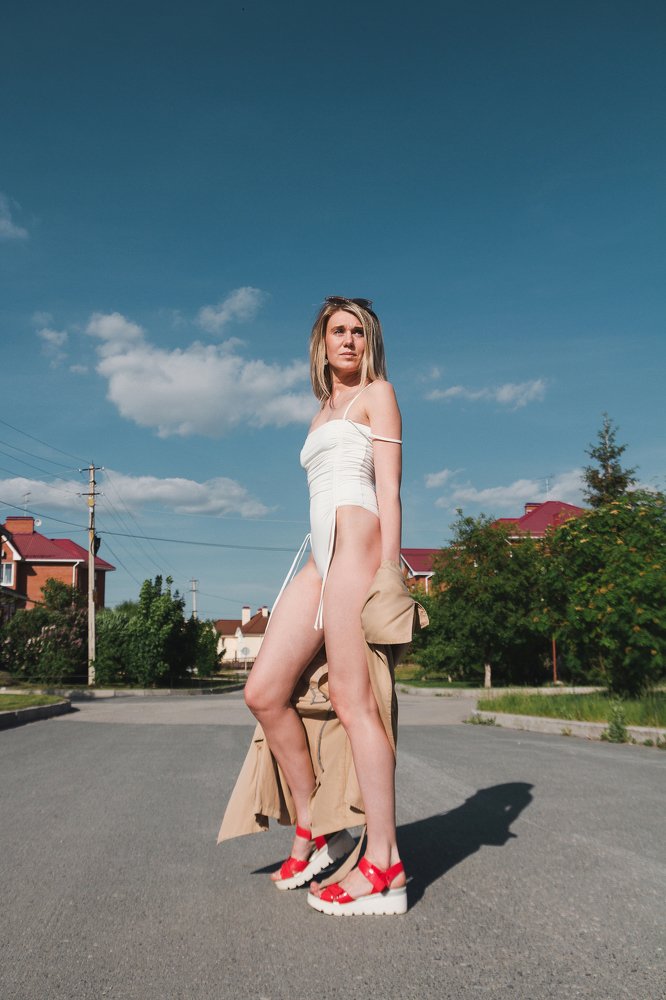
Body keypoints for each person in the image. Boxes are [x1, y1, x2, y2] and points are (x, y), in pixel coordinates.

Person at [243, 295, 407, 916]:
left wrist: (389, 573)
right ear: (321, 341)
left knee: (353, 700)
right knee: (263, 691)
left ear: (370, 342)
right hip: (318, 554)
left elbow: (388, 490)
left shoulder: (378, 393)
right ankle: (315, 829)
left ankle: (384, 862)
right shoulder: (321, 411)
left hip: (357, 546)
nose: (349, 341)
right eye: (339, 331)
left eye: (359, 332)